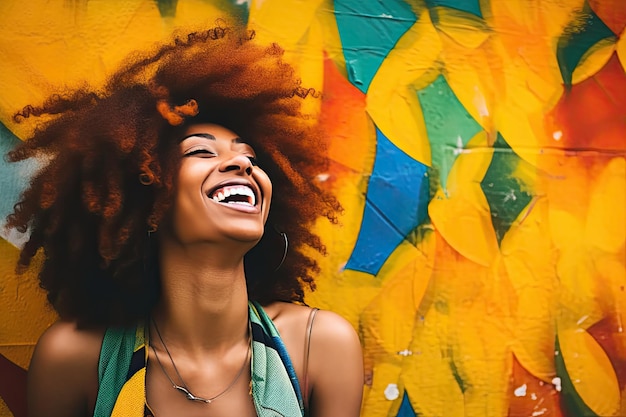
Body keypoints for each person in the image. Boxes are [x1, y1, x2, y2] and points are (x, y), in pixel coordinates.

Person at [6, 24, 363, 417]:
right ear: (144, 193)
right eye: (201, 153)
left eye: (251, 157)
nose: (243, 163)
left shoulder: (319, 346)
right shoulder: (75, 359)